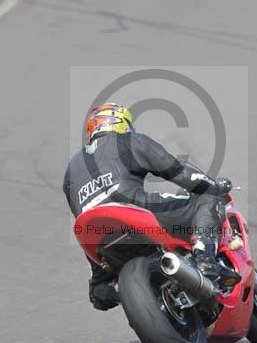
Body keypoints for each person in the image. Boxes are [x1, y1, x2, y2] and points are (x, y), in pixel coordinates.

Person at [63, 102, 234, 311]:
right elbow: (177, 171)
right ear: (120, 122)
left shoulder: (71, 170)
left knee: (100, 289)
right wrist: (212, 185)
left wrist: (99, 274)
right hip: (134, 210)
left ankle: (104, 288)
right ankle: (205, 260)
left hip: (95, 234)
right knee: (208, 202)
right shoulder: (127, 141)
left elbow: (81, 214)